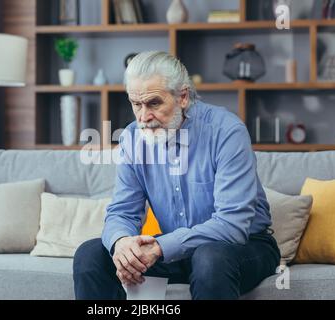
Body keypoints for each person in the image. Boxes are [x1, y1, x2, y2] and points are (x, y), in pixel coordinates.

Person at [73, 51, 280, 300]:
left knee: (209, 258)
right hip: (175, 251)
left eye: (153, 103)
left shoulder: (226, 131)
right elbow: (122, 212)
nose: (143, 117)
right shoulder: (132, 138)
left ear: (182, 97)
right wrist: (122, 243)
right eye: (136, 104)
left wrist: (161, 247)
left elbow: (232, 226)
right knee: (90, 255)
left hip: (243, 247)